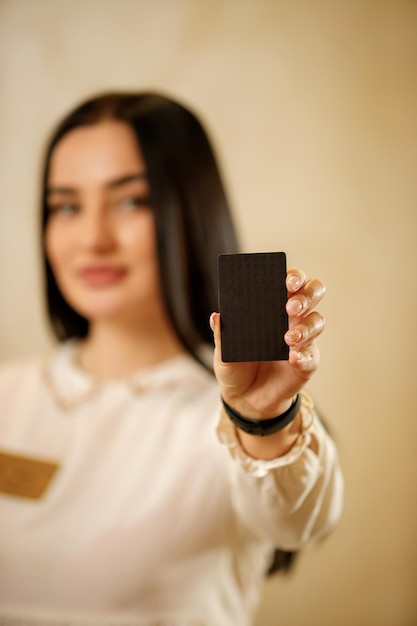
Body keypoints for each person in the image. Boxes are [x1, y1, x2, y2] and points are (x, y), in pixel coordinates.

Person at [0, 92, 343, 626]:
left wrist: (262, 417)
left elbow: (297, 522)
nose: (92, 239)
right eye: (66, 206)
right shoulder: (8, 394)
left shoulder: (234, 416)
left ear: (191, 212)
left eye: (132, 201)